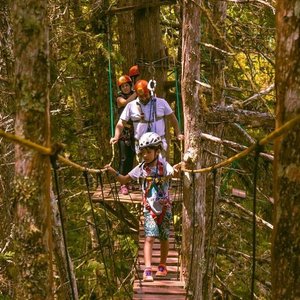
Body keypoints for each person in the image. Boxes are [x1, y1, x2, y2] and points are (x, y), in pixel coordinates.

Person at [105, 132, 179, 281]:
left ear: (157, 151)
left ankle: (162, 266)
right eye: (143, 152)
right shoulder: (140, 168)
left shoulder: (163, 165)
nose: (145, 155)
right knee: (149, 238)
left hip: (165, 208)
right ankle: (147, 269)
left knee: (164, 238)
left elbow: (173, 173)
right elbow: (125, 179)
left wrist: (178, 169)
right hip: (149, 208)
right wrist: (114, 173)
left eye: (148, 152)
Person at [110, 79, 184, 156]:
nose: (144, 98)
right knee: (144, 167)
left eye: (146, 95)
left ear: (150, 92)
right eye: (141, 96)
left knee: (160, 165)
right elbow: (121, 122)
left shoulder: (161, 102)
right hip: (141, 146)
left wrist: (178, 133)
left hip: (159, 144)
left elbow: (172, 118)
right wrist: (116, 137)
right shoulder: (131, 106)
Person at [115, 75, 137, 195]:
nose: (125, 88)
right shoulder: (120, 98)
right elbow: (125, 103)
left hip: (134, 131)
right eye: (123, 86)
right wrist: (136, 93)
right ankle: (122, 184)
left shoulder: (135, 95)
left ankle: (129, 182)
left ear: (130, 85)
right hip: (124, 132)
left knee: (132, 157)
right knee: (124, 158)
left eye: (127, 85)